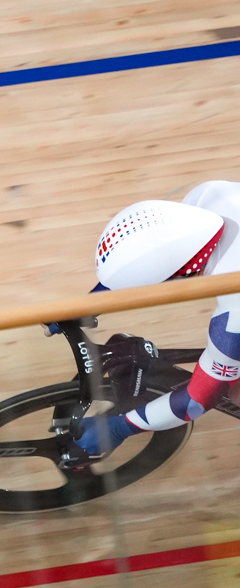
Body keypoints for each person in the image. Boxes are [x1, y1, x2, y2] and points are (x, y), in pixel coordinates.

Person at [76, 184, 238, 458]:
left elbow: (196, 401)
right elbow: (151, 252)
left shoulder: (235, 315)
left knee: (233, 389)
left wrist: (120, 427)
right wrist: (83, 305)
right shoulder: (209, 197)